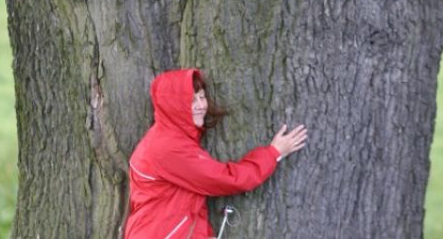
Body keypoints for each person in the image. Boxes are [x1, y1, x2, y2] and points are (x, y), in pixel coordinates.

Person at [124, 68, 308, 239]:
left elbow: (182, 202)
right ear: (173, 106)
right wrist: (273, 153)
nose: (200, 105)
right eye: (190, 100)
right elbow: (226, 179)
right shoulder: (168, 147)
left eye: (202, 97)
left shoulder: (169, 137)